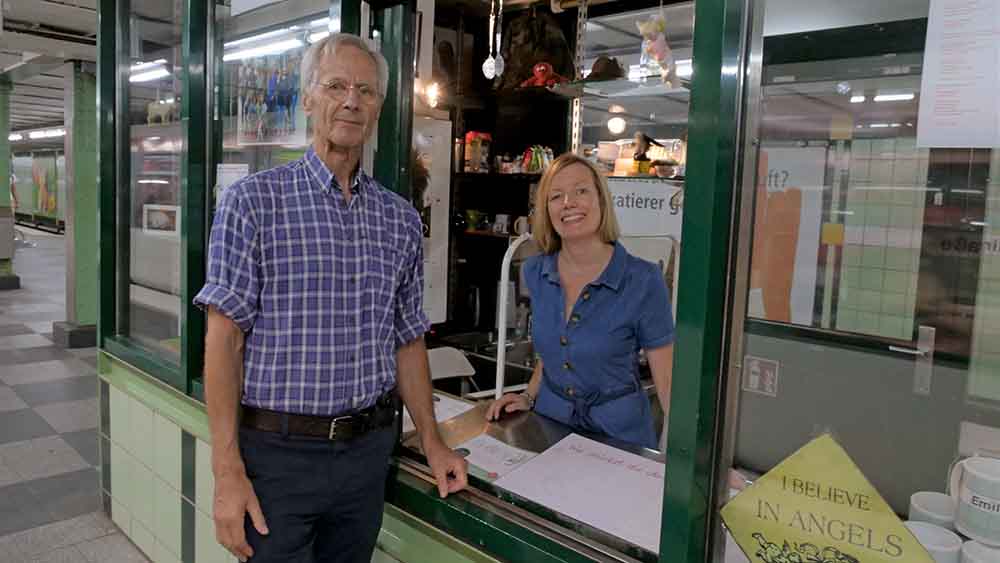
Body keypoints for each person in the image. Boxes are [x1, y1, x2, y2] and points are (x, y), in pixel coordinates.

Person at [195, 33, 467, 563]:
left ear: (379, 109)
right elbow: (223, 342)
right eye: (336, 86)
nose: (351, 101)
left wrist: (432, 442)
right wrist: (226, 472)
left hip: (367, 456)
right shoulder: (253, 203)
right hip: (277, 458)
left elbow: (407, 341)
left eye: (366, 91)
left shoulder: (399, 220)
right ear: (307, 99)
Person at [486, 153, 675, 449]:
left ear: (601, 200)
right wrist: (528, 396)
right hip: (551, 428)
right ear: (546, 210)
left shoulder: (643, 279)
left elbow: (667, 381)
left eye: (581, 191)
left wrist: (689, 460)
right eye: (556, 196)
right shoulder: (536, 271)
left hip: (619, 437)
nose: (568, 203)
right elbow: (552, 352)